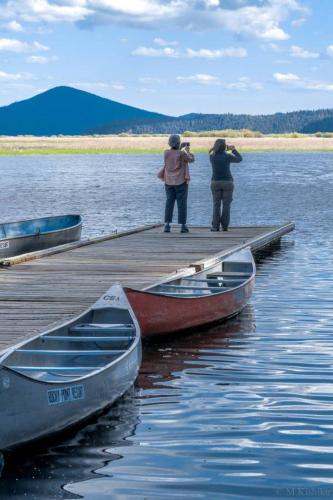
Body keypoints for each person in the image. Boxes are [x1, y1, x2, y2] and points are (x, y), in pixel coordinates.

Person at [159, 134, 195, 233]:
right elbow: (191, 160)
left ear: (169, 142)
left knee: (169, 202)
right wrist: (188, 151)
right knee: (182, 203)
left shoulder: (166, 153)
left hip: (168, 181)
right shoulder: (182, 153)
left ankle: (167, 225)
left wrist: (180, 148)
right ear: (178, 143)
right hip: (181, 181)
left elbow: (174, 153)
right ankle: (183, 226)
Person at [209, 138, 242, 232]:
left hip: (215, 182)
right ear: (225, 147)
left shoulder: (212, 156)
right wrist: (233, 150)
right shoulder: (228, 156)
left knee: (216, 205)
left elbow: (211, 152)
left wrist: (214, 148)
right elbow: (240, 159)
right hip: (228, 182)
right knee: (226, 205)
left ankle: (215, 227)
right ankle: (225, 227)